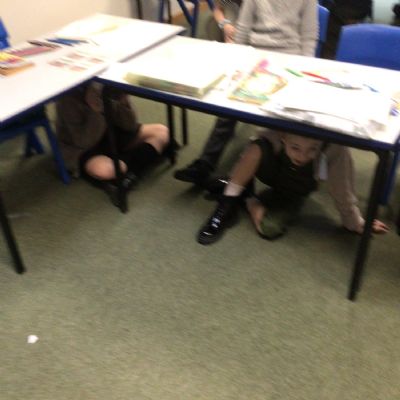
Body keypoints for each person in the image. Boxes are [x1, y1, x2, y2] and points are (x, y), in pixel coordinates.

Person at [174, 0, 318, 186]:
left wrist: (304, 69)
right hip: (256, 56)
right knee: (229, 107)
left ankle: (238, 177)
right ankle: (205, 163)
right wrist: (238, 62)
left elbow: (309, 35)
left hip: (290, 61)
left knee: (277, 117)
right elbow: (243, 29)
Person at [197, 130, 389, 245]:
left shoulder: (335, 148)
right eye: (295, 148)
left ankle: (246, 196)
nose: (302, 157)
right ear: (283, 137)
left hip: (295, 189)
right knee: (257, 146)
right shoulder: (276, 132)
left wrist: (353, 219)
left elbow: (342, 185)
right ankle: (226, 204)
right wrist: (237, 175)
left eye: (312, 149)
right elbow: (252, 150)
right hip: (273, 170)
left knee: (269, 229)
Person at [56, 82, 169, 203]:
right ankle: (136, 163)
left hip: (112, 134)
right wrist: (97, 110)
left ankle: (127, 176)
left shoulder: (108, 87)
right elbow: (84, 142)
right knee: (111, 169)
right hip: (83, 148)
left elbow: (130, 125)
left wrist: (123, 102)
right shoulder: (67, 98)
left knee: (162, 132)